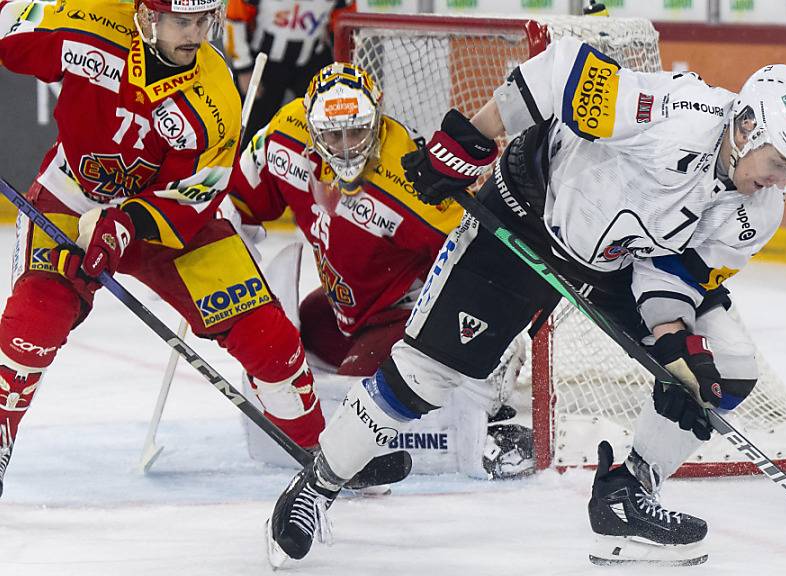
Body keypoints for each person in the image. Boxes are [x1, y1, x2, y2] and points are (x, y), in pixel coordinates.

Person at [264, 36, 786, 567]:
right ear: (747, 127)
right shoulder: (674, 114)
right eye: (780, 163)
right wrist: (473, 136)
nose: (782, 181)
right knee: (422, 377)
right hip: (524, 217)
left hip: (618, 261)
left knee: (725, 369)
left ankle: (625, 497)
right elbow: (563, 71)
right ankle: (318, 483)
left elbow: (674, 271)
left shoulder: (759, 210)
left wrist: (672, 341)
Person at [0, 0, 326, 497]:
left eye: (203, 20)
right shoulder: (86, 19)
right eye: (182, 21)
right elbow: (9, 25)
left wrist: (127, 224)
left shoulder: (214, 92)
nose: (195, 34)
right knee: (34, 317)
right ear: (148, 18)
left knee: (269, 339)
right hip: (73, 195)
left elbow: (201, 192)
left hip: (163, 222)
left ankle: (323, 457)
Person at [229, 61, 533, 480]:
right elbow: (239, 204)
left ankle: (493, 359)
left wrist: (495, 328)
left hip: (403, 315)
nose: (347, 146)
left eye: (357, 131)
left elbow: (478, 254)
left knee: (355, 402)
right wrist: (214, 237)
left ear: (377, 118)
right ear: (311, 129)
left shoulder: (406, 180)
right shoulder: (285, 135)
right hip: (348, 310)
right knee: (276, 347)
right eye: (333, 135)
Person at [223, 0, 354, 145]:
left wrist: (345, 67)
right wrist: (244, 68)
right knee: (252, 126)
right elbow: (234, 21)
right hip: (265, 62)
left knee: (322, 122)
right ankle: (244, 161)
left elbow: (345, 26)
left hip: (311, 59)